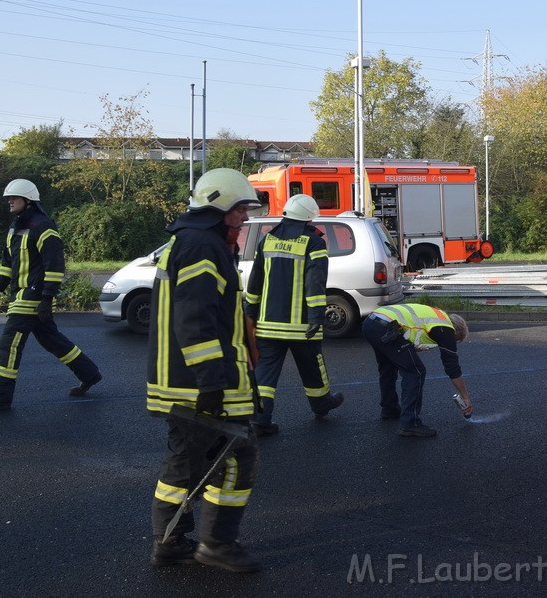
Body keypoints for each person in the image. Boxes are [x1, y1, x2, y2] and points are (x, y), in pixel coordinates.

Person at [147, 168, 263, 573]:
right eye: (242, 209)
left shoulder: (194, 240)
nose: (246, 218)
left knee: (187, 462)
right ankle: (215, 545)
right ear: (220, 207)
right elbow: (194, 318)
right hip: (197, 383)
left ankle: (170, 542)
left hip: (180, 381)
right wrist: (211, 381)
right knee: (235, 457)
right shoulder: (201, 245)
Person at [0, 179, 101, 413]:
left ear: (28, 201)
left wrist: (47, 299)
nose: (9, 201)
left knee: (8, 345)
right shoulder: (14, 228)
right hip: (20, 295)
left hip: (33, 297)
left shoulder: (44, 227)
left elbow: (55, 267)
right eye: (9, 198)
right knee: (52, 340)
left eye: (14, 198)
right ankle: (90, 374)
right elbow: (8, 265)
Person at [244, 193, 344, 436]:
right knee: (312, 366)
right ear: (309, 219)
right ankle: (322, 404)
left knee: (266, 372)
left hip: (268, 325)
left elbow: (255, 281)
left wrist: (250, 312)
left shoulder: (266, 240)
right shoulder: (314, 243)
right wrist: (315, 317)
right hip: (301, 327)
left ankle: (260, 419)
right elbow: (315, 283)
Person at [361, 303, 473, 438]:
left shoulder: (436, 315)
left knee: (388, 367)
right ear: (456, 332)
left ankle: (389, 409)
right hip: (387, 328)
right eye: (455, 341)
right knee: (416, 372)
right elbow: (452, 367)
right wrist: (465, 396)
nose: (451, 343)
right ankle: (410, 423)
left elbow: (408, 336)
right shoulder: (446, 328)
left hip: (371, 322)